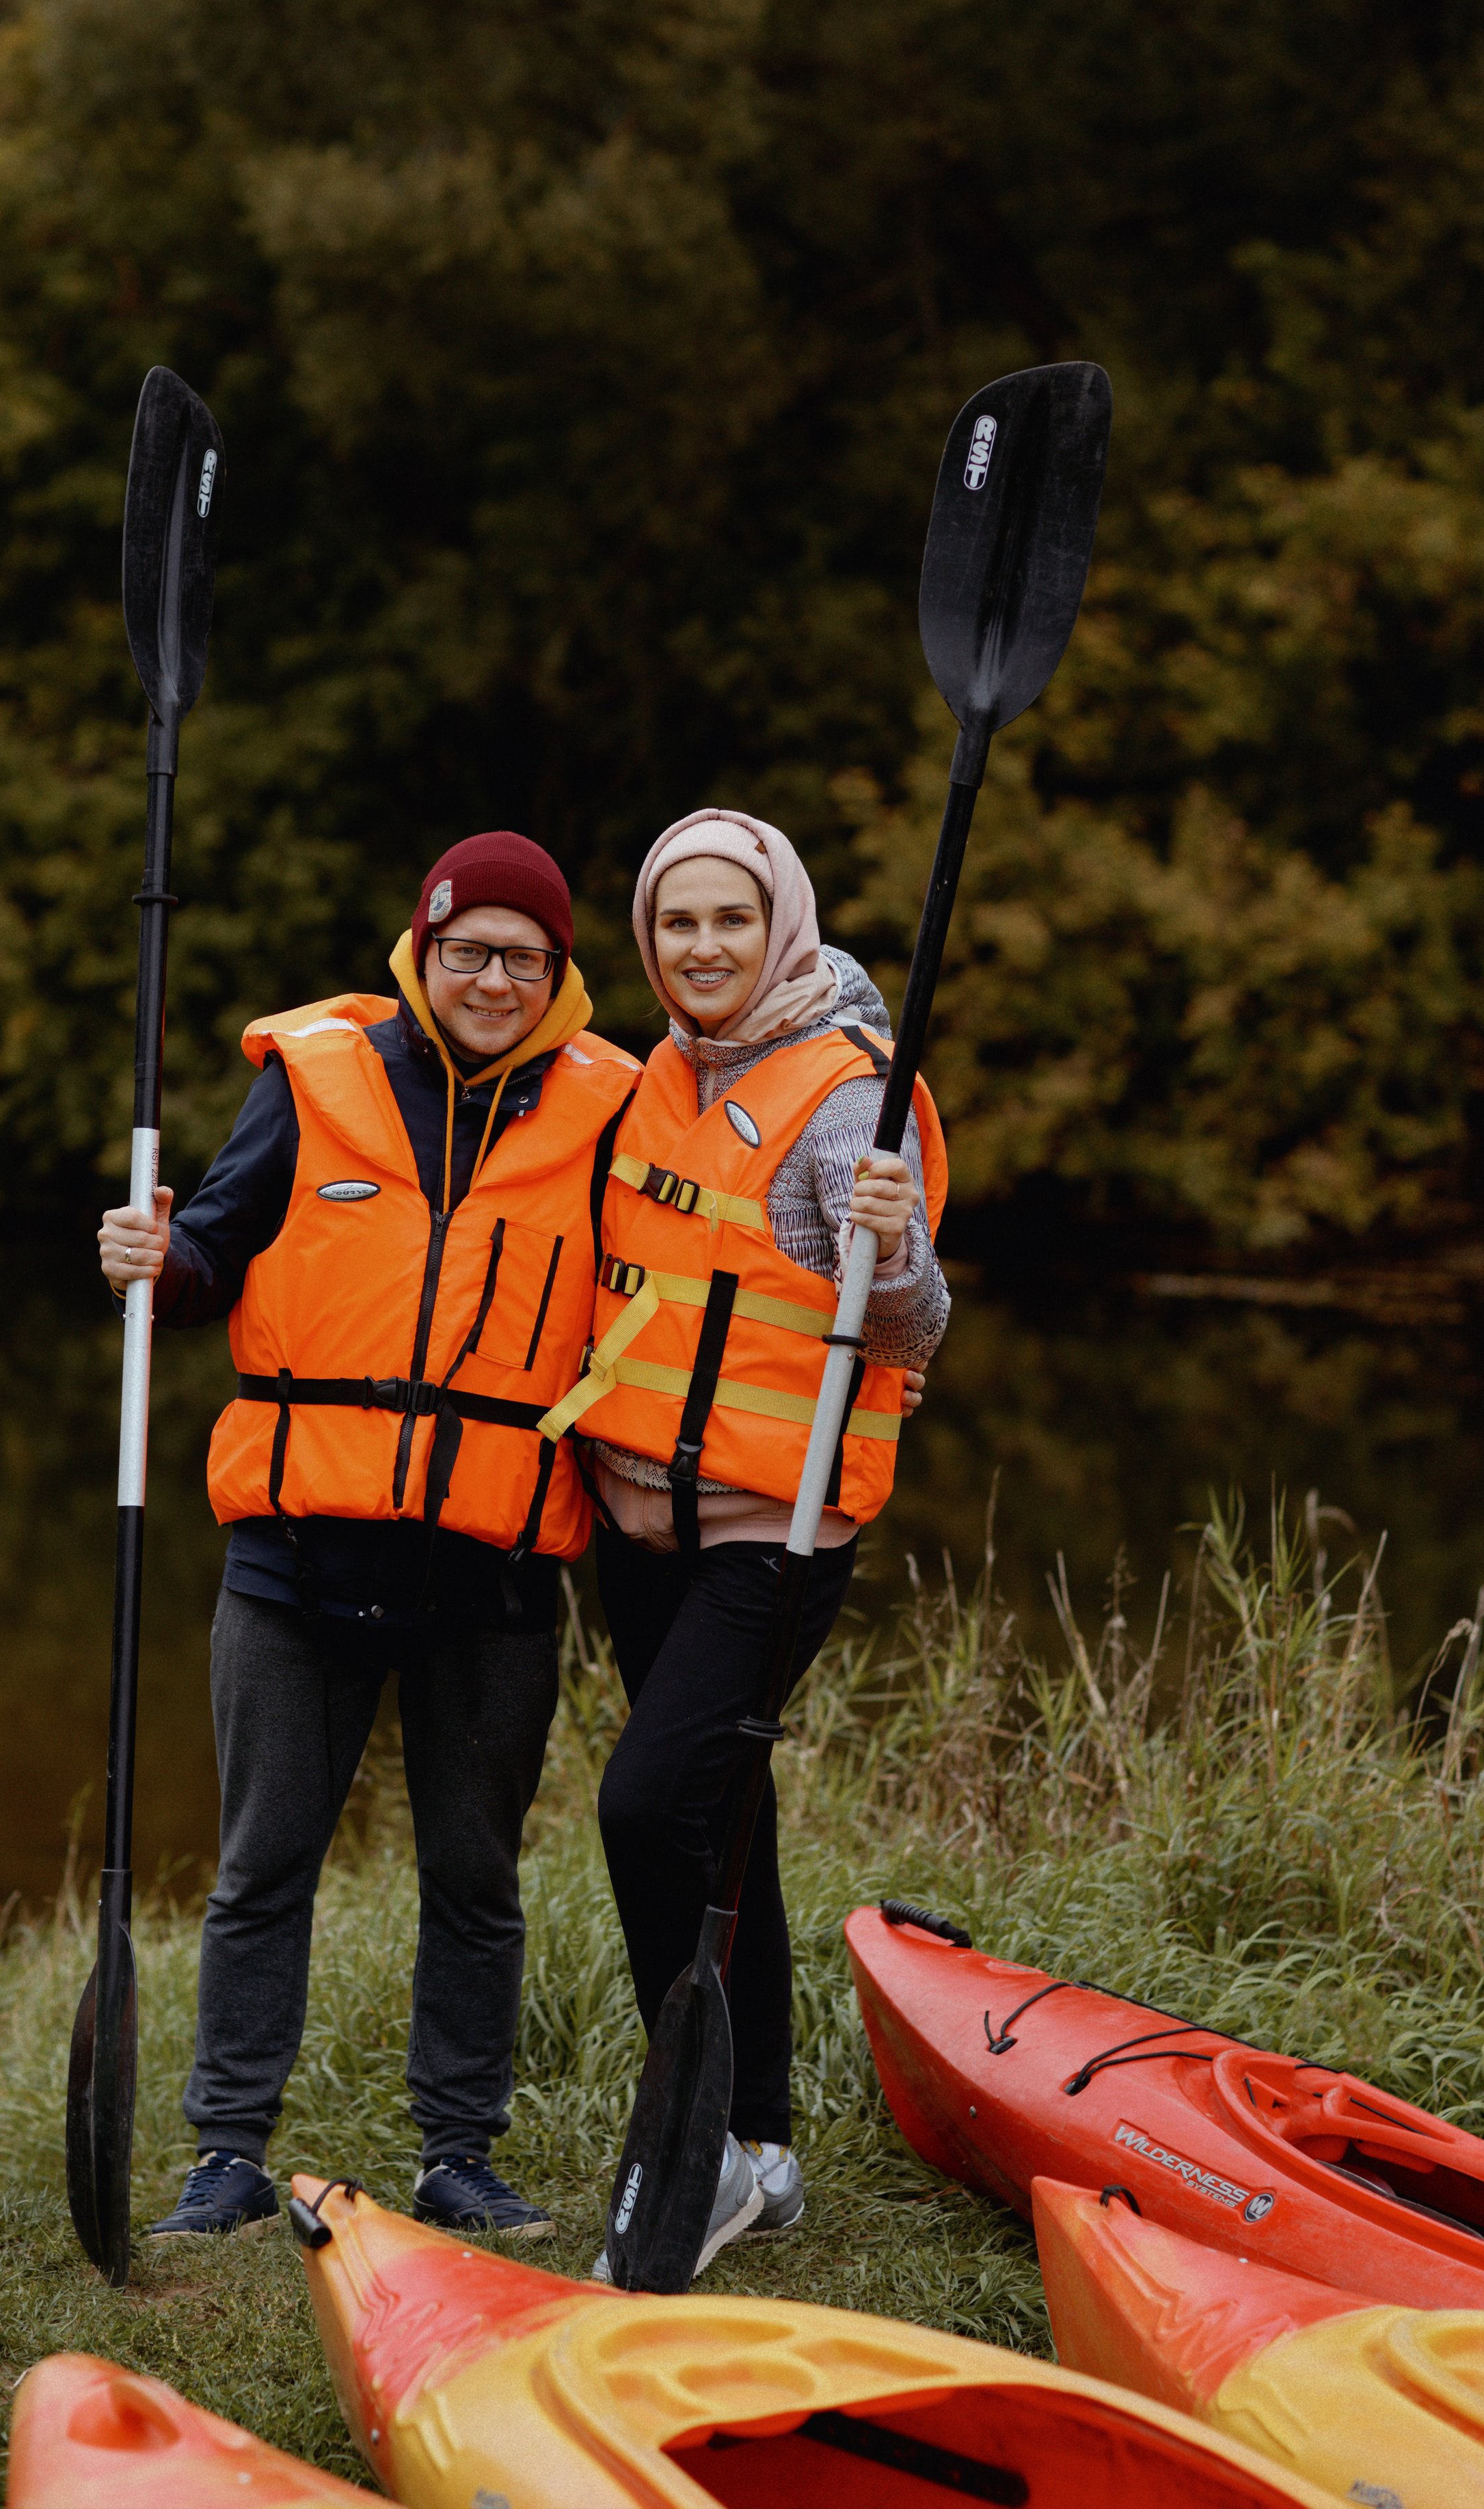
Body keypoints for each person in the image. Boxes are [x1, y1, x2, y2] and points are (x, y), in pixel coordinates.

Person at [98, 832, 640, 2244]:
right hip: (298, 1557)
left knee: (473, 1875)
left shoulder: (610, 1113)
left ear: (558, 974)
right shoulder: (317, 1081)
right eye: (469, 950)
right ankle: (225, 2153)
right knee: (261, 1864)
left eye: (524, 957)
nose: (494, 979)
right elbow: (211, 1250)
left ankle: (457, 2152)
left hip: (495, 1571)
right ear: (423, 948)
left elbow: (678, 1280)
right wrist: (159, 1259)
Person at [541, 807, 949, 2276]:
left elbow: (915, 1328)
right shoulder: (651, 1074)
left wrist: (891, 1251)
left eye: (727, 919)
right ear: (645, 941)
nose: (700, 948)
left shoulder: (849, 1099)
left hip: (768, 1531)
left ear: (775, 925)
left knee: (648, 1806)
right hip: (637, 1512)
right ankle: (761, 2146)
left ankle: (695, 2128)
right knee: (724, 1820)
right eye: (674, 923)